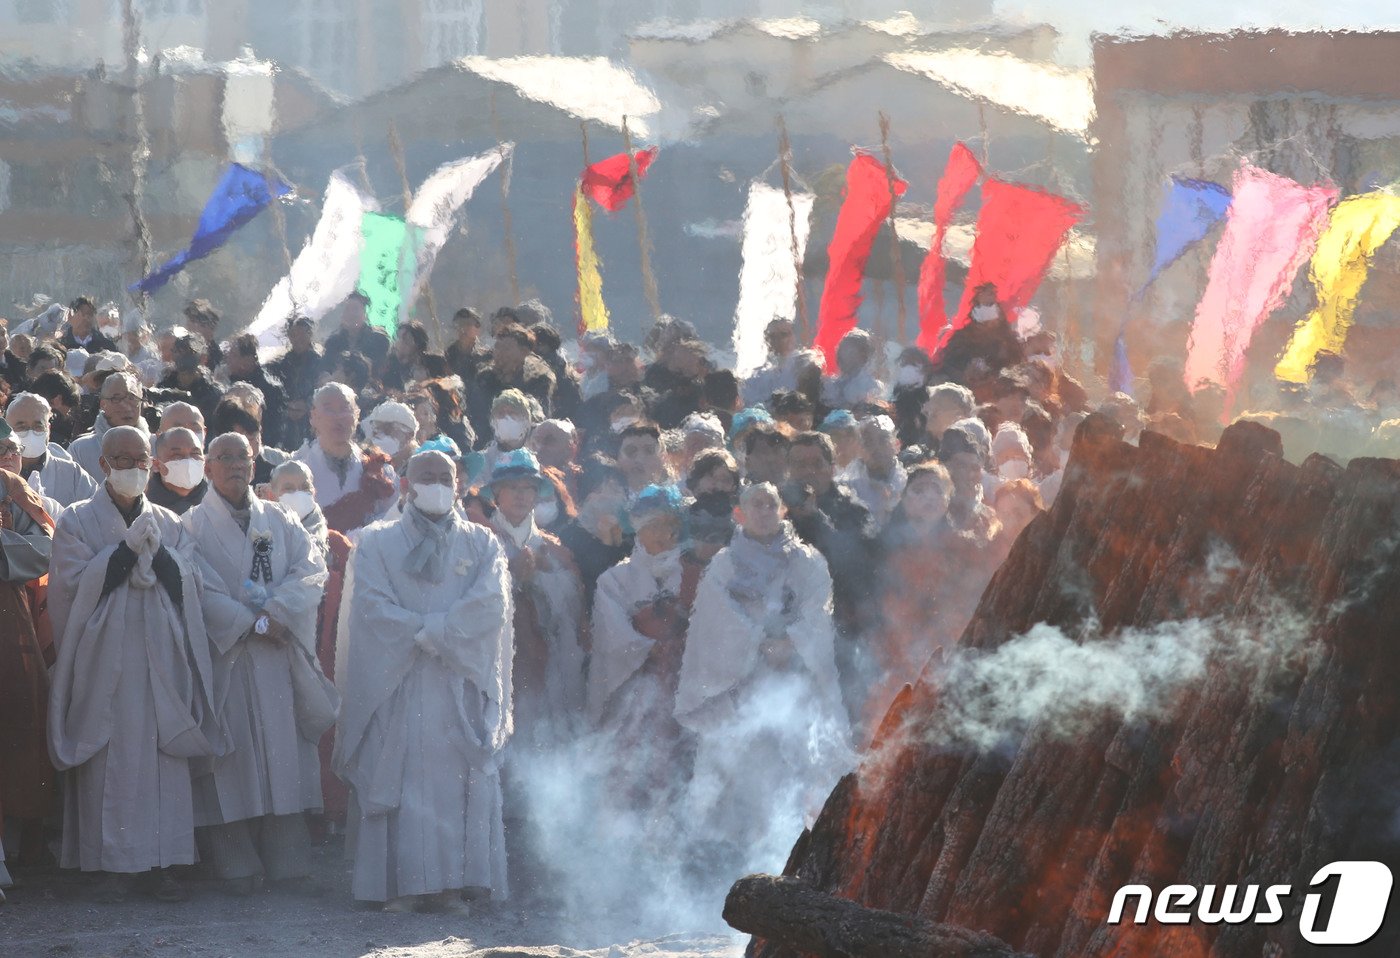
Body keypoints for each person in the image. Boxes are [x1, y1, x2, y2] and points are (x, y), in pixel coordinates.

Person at [47, 426, 225, 902]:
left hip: (161, 660)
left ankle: (162, 865)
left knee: (163, 758)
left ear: (153, 465)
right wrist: (123, 553)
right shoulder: (76, 521)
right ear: (103, 466)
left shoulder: (170, 521)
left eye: (140, 460)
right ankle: (112, 867)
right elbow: (69, 587)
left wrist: (160, 554)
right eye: (121, 460)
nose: (132, 469)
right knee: (111, 757)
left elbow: (192, 582)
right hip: (106, 662)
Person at [335, 450, 514, 911]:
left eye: (444, 477)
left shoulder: (483, 543)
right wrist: (425, 632)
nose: (435, 484)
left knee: (457, 781)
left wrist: (434, 633)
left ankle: (455, 885)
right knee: (402, 777)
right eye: (425, 476)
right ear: (405, 485)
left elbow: (489, 605)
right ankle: (399, 886)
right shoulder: (375, 543)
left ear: (458, 485)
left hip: (458, 682)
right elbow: (370, 606)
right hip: (398, 683)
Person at [183, 433, 332, 894]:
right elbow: (197, 586)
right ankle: (236, 866)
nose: (234, 465)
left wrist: (278, 614)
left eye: (242, 457)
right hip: (230, 657)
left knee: (283, 758)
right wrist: (252, 624)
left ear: (255, 465)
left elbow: (310, 570)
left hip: (277, 656)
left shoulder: (282, 518)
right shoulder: (190, 525)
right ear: (207, 468)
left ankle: (289, 864)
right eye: (223, 458)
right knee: (233, 763)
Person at [675, 482, 848, 861]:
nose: (765, 511)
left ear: (783, 510)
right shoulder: (723, 563)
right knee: (734, 769)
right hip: (739, 682)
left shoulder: (808, 560)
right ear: (740, 513)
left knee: (793, 768)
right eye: (756, 504)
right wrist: (756, 641)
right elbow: (715, 619)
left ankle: (795, 850)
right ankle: (723, 856)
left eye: (771, 504)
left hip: (794, 681)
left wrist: (792, 641)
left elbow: (819, 612)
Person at [587, 485, 698, 810]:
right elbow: (613, 636)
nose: (663, 534)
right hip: (634, 687)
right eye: (653, 525)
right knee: (629, 763)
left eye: (670, 525)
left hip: (683, 685)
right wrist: (649, 646)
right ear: (636, 527)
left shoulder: (695, 576)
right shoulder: (615, 579)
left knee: (678, 765)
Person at [267, 460, 353, 833]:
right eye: (286, 487)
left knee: (326, 731)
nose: (294, 494)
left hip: (327, 649)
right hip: (279, 647)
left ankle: (328, 813)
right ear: (271, 493)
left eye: (302, 485)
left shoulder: (336, 544)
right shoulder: (263, 538)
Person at [484, 449, 585, 747]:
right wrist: (509, 576)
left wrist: (543, 576)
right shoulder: (478, 541)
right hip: (497, 658)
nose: (521, 495)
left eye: (528, 487)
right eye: (513, 487)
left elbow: (574, 606)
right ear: (496, 494)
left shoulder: (552, 548)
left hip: (548, 659)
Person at [0, 425, 56, 870]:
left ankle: (17, 851)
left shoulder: (11, 489)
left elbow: (46, 549)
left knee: (18, 721)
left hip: (8, 622)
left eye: (9, 449)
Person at [293, 383, 396, 534]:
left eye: (344, 409)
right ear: (313, 417)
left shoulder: (378, 469)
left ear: (357, 415)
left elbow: (393, 519)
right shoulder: (296, 471)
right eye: (329, 409)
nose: (338, 417)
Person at [555, 453, 631, 614]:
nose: (608, 496)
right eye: (600, 489)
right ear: (586, 497)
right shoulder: (568, 536)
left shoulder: (631, 535)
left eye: (615, 488)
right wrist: (606, 542)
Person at [7, 392, 97, 508]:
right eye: (21, 426)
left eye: (38, 426)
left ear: (48, 429)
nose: (30, 432)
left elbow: (95, 512)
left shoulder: (72, 474)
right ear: (7, 430)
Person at [468, 323, 555, 440]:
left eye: (506, 348)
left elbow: (539, 420)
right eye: (497, 347)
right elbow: (477, 417)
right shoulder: (485, 379)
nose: (499, 352)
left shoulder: (538, 380)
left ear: (524, 352)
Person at [69, 371, 148, 481]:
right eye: (116, 399)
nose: (125, 406)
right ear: (103, 404)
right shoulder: (81, 449)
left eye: (132, 398)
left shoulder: (157, 445)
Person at [842, 415, 906, 530]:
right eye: (868, 441)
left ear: (897, 444)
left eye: (883, 440)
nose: (876, 448)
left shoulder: (910, 485)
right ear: (858, 448)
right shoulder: (846, 488)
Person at [225, 334, 289, 449]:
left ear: (248, 360)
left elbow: (274, 431)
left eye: (234, 355)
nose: (228, 359)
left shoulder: (270, 390)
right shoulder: (228, 384)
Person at [157, 331, 224, 423]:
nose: (182, 356)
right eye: (178, 351)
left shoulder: (212, 393)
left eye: (189, 352)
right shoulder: (165, 386)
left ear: (202, 358)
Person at [145, 427, 208, 515]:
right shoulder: (144, 507)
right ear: (157, 465)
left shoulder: (218, 501)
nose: (188, 460)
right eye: (177, 455)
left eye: (195, 453)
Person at [741, 318, 801, 406]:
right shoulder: (756, 377)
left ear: (794, 337)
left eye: (784, 334)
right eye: (772, 336)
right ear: (766, 340)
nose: (778, 340)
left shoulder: (805, 369)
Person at [821, 329, 884, 410]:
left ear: (864, 356)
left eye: (852, 352)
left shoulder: (873, 388)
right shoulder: (829, 386)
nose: (846, 356)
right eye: (844, 351)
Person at [268, 316, 324, 406]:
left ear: (309, 334)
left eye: (302, 334)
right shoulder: (281, 364)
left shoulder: (320, 363)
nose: (297, 339)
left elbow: (323, 391)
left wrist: (307, 404)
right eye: (293, 335)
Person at [361, 400, 419, 474]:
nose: (381, 435)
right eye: (377, 429)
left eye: (388, 429)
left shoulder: (419, 465)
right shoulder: (366, 461)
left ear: (409, 435)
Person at [445, 307, 492, 386]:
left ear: (478, 328)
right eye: (459, 325)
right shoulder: (448, 355)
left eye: (467, 324)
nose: (463, 329)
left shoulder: (486, 356)